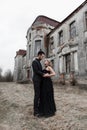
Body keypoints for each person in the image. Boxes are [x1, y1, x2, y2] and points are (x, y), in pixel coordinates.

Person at [32, 50, 49, 117]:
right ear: (39, 55)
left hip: (40, 80)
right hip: (36, 80)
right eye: (42, 56)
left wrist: (45, 71)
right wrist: (43, 74)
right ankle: (35, 112)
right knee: (37, 95)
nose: (42, 57)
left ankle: (39, 109)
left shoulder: (39, 62)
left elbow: (40, 70)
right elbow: (36, 71)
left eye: (43, 56)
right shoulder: (34, 62)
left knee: (39, 95)